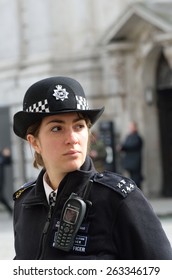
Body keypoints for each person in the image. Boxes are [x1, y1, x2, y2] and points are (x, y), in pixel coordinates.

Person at [13, 76, 172, 260]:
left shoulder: (118, 199)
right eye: (57, 128)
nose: (72, 138)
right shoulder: (24, 202)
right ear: (35, 142)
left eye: (79, 126)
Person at [118, 121, 143, 189]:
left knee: (136, 179)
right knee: (131, 179)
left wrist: (123, 147)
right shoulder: (129, 136)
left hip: (135, 162)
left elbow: (132, 145)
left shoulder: (137, 137)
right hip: (129, 162)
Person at [0, 147, 13, 215]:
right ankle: (11, 210)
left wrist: (7, 155)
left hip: (0, 181)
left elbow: (8, 162)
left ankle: (11, 211)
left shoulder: (1, 155)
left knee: (1, 197)